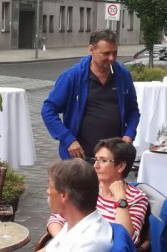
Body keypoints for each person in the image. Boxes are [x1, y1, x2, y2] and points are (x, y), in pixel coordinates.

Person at [41, 30, 140, 160]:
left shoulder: (123, 76)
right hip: (81, 158)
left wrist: (129, 134)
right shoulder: (73, 76)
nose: (111, 58)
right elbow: (48, 109)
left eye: (114, 53)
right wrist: (68, 140)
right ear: (91, 50)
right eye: (106, 53)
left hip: (113, 158)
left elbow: (133, 111)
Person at [47, 137, 148, 244]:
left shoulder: (136, 198)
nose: (96, 166)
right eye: (96, 160)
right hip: (71, 245)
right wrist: (63, 242)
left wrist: (121, 198)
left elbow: (127, 239)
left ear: (121, 166)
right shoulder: (86, 186)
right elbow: (56, 218)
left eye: (103, 160)